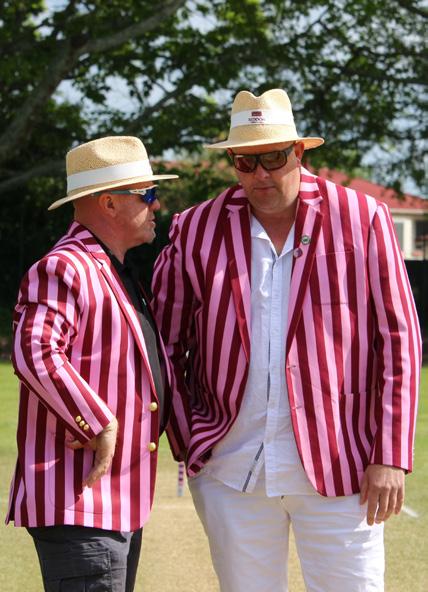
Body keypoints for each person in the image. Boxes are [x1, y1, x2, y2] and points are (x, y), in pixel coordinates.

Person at [151, 89, 422, 591]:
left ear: (298, 152)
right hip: (230, 468)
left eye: (273, 158)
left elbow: (399, 338)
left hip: (343, 465)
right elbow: (163, 344)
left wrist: (390, 455)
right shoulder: (194, 228)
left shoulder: (362, 217)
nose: (260, 174)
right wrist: (189, 437)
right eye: (246, 161)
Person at [6, 135, 178, 591]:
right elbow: (35, 351)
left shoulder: (110, 268)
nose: (157, 205)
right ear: (109, 203)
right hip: (79, 500)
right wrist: (99, 422)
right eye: (148, 193)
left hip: (111, 501)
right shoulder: (65, 267)